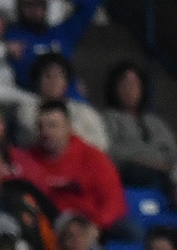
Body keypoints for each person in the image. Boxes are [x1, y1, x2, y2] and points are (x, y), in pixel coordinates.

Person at [14, 101, 128, 236]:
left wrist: (96, 226)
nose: (45, 132)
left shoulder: (94, 159)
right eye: (41, 127)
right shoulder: (27, 160)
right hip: (44, 230)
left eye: (52, 126)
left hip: (90, 227)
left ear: (68, 127)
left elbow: (114, 202)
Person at [103, 63, 177, 192]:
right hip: (132, 173)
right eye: (125, 84)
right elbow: (109, 151)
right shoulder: (108, 118)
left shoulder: (155, 121)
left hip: (166, 172)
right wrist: (145, 160)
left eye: (135, 84)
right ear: (115, 88)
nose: (130, 89)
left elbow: (173, 151)